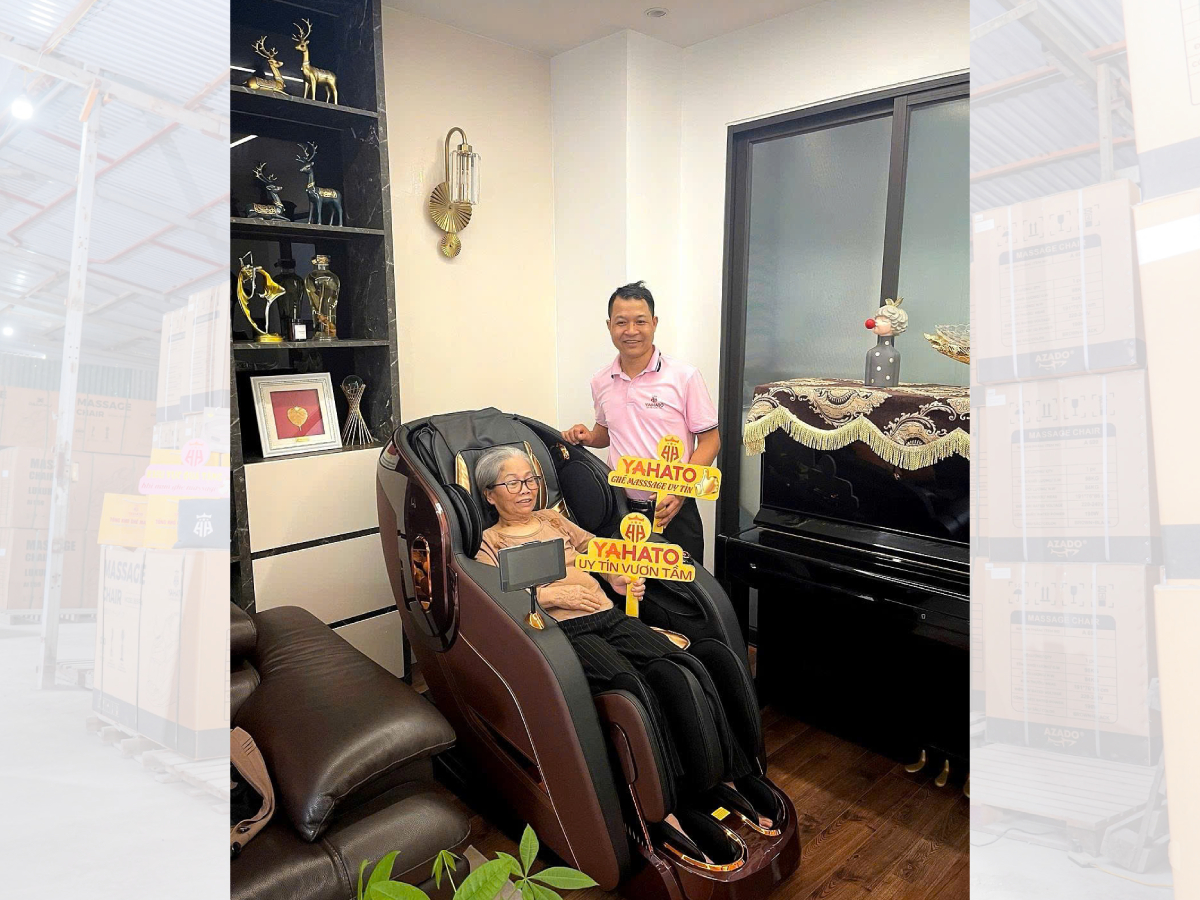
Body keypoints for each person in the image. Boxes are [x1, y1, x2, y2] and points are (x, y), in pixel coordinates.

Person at [472, 446, 778, 856]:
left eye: (531, 479)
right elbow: (499, 604)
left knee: (684, 666)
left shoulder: (552, 520)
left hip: (608, 615)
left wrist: (615, 578)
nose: (526, 489)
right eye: (513, 483)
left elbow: (595, 551)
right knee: (637, 689)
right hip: (564, 634)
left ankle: (728, 776)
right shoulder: (489, 545)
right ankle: (667, 806)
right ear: (490, 494)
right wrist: (552, 594)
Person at [561, 281, 720, 564]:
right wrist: (588, 437)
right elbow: (606, 433)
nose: (631, 330)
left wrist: (680, 491)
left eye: (640, 321)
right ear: (609, 326)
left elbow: (710, 441)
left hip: (672, 510)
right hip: (619, 508)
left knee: (684, 590)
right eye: (621, 322)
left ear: (654, 323)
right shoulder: (601, 381)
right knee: (626, 586)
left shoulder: (684, 376)